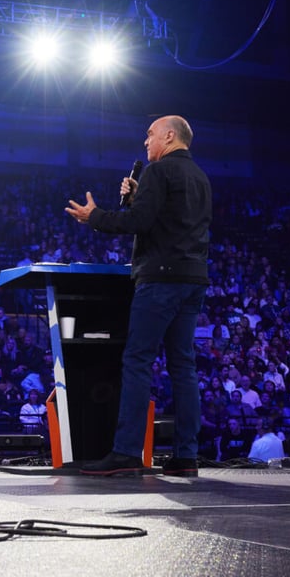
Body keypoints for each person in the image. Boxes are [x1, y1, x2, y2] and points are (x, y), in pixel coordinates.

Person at [66, 115, 211, 478]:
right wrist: (135, 199)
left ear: (169, 135)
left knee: (137, 360)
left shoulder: (158, 173)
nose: (145, 142)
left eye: (149, 135)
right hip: (193, 279)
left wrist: (96, 215)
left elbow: (138, 224)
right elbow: (163, 220)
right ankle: (186, 456)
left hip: (160, 280)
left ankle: (127, 451)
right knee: (183, 367)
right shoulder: (201, 178)